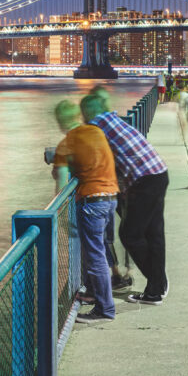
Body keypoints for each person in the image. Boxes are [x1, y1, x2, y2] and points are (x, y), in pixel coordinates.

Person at [83, 91, 170, 305]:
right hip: (158, 171)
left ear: (89, 111)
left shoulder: (95, 127)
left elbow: (89, 157)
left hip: (143, 180)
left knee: (130, 234)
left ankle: (157, 282)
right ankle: (156, 289)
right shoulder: (113, 119)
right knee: (154, 233)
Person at [52, 99, 119, 324]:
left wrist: (62, 219)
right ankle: (92, 293)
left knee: (95, 256)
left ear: (60, 121)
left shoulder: (66, 144)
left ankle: (105, 309)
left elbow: (61, 185)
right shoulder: (96, 131)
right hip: (111, 197)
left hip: (91, 201)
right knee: (99, 249)